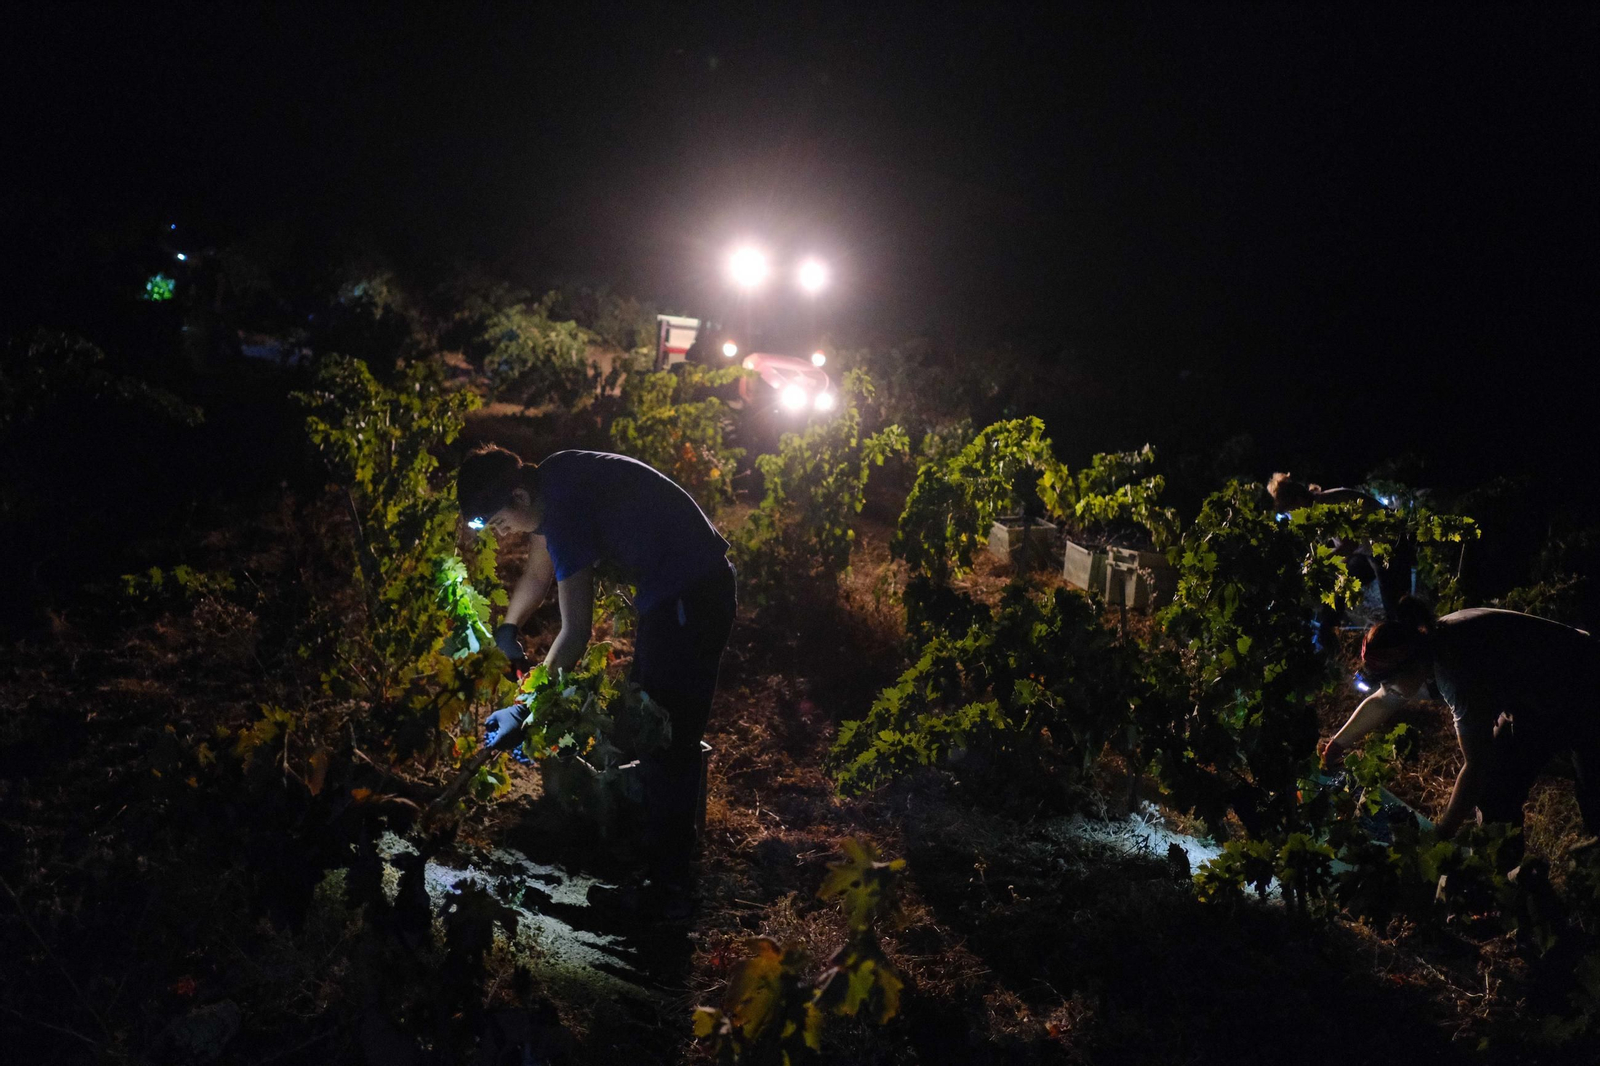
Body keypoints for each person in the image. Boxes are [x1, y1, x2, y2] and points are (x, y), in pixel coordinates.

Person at [457, 444, 737, 918]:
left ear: (520, 496)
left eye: (497, 520)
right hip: (676, 596)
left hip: (691, 595)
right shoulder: (552, 478)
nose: (499, 533)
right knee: (652, 727)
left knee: (668, 736)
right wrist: (508, 629)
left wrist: (524, 709)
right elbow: (538, 573)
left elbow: (576, 632)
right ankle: (660, 873)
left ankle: (667, 893)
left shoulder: (563, 512)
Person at [1321, 598, 1600, 856]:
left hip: (1581, 681)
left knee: (1590, 770)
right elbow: (1384, 700)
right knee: (1496, 791)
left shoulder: (1455, 672)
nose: (1386, 689)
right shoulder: (1428, 641)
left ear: (1410, 665)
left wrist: (1440, 834)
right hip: (1532, 695)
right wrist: (1338, 744)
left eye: (1388, 681)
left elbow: (1476, 764)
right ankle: (1501, 871)